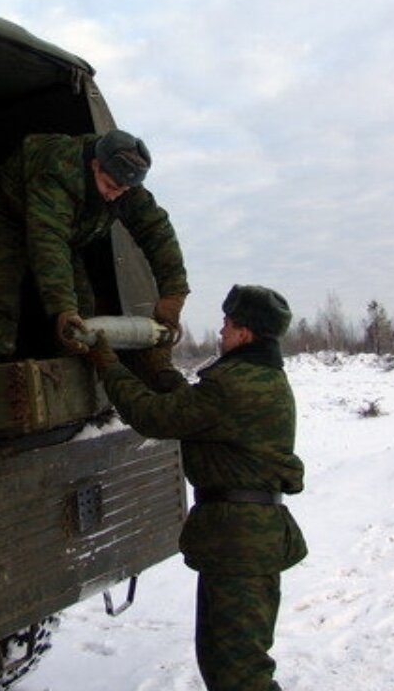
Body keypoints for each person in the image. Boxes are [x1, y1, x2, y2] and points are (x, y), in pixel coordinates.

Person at [86, 283, 307, 691]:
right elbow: (197, 414)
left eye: (228, 324)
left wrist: (108, 364)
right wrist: (164, 373)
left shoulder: (235, 384)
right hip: (241, 539)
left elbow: (157, 417)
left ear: (246, 334)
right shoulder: (257, 377)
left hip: (241, 543)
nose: (221, 331)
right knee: (225, 667)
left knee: (241, 673)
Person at [0, 129, 189, 362]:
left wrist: (173, 294)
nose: (114, 196)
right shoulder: (58, 170)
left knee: (82, 304)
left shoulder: (123, 183)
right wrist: (62, 308)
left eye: (122, 190)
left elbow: (157, 232)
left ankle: (73, 363)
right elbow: (48, 242)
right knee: (2, 287)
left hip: (62, 226)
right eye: (110, 186)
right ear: (95, 165)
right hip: (7, 214)